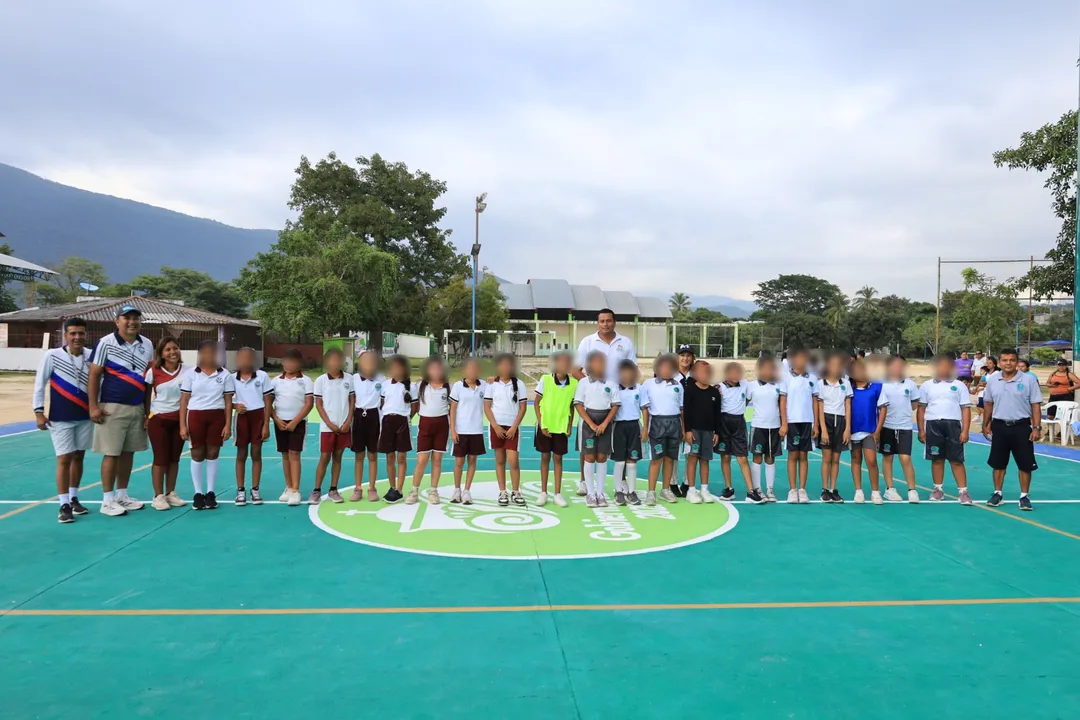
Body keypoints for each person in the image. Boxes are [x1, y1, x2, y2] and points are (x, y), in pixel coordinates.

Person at [87, 305, 153, 516]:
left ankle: (122, 496)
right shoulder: (106, 343)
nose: (132, 322)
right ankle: (107, 500)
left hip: (137, 407)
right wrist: (94, 406)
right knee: (111, 454)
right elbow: (94, 375)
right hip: (112, 407)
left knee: (128, 453)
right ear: (117, 322)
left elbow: (149, 380)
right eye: (127, 318)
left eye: (136, 318)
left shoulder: (147, 344)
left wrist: (148, 411)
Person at [572, 308, 638, 496]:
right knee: (587, 442)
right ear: (597, 323)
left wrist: (621, 388)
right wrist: (592, 387)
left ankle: (622, 480)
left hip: (617, 400)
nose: (605, 324)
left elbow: (631, 370)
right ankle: (583, 482)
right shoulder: (588, 342)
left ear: (614, 322)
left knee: (620, 440)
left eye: (609, 320)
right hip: (592, 401)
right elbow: (576, 370)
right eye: (602, 321)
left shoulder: (625, 342)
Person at [33, 317, 93, 523]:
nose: (77, 337)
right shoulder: (52, 355)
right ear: (65, 335)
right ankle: (64, 504)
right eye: (73, 333)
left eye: (81, 333)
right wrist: (38, 411)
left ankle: (74, 498)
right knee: (64, 459)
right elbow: (39, 383)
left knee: (79, 457)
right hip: (61, 417)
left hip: (85, 416)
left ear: (86, 335)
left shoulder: (91, 356)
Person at [179, 339, 235, 510]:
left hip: (217, 416)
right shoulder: (191, 374)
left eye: (213, 352)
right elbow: (184, 401)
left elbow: (228, 402)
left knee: (213, 451)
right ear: (200, 354)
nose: (210, 355)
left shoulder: (224, 374)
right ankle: (198, 493)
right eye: (206, 352)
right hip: (196, 415)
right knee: (197, 452)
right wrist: (182, 424)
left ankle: (210, 492)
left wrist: (228, 424)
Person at [983, 348, 1042, 510]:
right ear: (999, 363)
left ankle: (1024, 496)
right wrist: (985, 423)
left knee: (1025, 464)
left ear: (1017, 362)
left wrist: (1036, 427)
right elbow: (988, 403)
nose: (1008, 363)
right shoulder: (993, 380)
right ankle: (997, 493)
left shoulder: (1028, 380)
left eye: (1012, 360)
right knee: (998, 463)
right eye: (1004, 360)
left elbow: (1035, 405)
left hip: (1022, 427)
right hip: (999, 426)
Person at [917, 355, 973, 505]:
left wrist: (965, 430)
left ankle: (963, 492)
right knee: (937, 459)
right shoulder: (926, 385)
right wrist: (921, 430)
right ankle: (938, 490)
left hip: (953, 425)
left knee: (956, 460)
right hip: (933, 425)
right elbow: (921, 409)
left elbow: (965, 409)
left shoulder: (959, 385)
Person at [144, 336, 188, 511]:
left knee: (174, 458)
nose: (172, 352)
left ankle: (171, 492)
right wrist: (147, 415)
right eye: (168, 349)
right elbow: (146, 395)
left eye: (175, 348)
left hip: (180, 420)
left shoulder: (189, 371)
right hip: (159, 419)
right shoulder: (153, 371)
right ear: (161, 353)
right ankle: (158, 495)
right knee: (160, 458)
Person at [574, 351, 621, 508]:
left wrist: (604, 424)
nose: (600, 365)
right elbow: (579, 405)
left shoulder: (611, 383)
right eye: (597, 362)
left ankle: (600, 493)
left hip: (605, 423)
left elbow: (615, 405)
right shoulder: (583, 383)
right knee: (589, 457)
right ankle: (590, 493)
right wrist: (592, 424)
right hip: (588, 423)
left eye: (603, 362)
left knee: (601, 457)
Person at [715, 362, 765, 504]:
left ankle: (751, 491)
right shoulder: (719, 388)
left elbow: (749, 397)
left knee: (742, 457)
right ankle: (729, 488)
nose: (736, 375)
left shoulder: (745, 385)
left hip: (738, 423)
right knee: (725, 457)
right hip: (724, 422)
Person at [534, 351, 578, 508]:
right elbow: (536, 402)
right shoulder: (545, 380)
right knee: (545, 458)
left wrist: (569, 424)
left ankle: (557, 493)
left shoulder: (574, 384)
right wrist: (541, 424)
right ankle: (543, 492)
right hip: (545, 426)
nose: (564, 365)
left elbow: (572, 407)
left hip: (561, 427)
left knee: (558, 459)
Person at [270, 348, 314, 507]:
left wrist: (296, 421)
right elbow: (269, 403)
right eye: (286, 361)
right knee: (285, 455)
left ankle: (296, 490)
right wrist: (275, 419)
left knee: (294, 453)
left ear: (299, 363)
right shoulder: (275, 381)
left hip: (298, 422)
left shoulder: (306, 381)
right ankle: (288, 487)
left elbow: (309, 404)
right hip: (280, 422)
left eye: (293, 361)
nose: (289, 364)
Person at [484, 353, 528, 506]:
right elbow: (487, 407)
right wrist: (495, 426)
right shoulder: (491, 384)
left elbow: (522, 408)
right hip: (497, 427)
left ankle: (516, 491)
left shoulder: (519, 384)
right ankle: (502, 491)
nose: (505, 368)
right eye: (502, 365)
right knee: (500, 460)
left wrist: (514, 427)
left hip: (512, 427)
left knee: (513, 460)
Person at [312, 348, 354, 505]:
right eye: (332, 359)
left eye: (339, 359)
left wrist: (348, 421)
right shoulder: (321, 381)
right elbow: (319, 405)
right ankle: (316, 490)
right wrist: (329, 423)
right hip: (327, 427)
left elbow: (351, 402)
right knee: (324, 457)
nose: (336, 363)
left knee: (338, 457)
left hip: (344, 427)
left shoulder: (349, 379)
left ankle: (333, 489)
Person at [408, 356, 451, 505]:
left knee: (437, 459)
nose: (436, 371)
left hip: (442, 425)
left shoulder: (448, 387)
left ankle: (433, 490)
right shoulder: (419, 385)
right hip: (425, 424)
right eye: (432, 368)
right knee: (422, 460)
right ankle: (414, 491)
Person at [231, 347, 271, 506]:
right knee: (241, 453)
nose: (246, 361)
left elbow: (268, 401)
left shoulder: (262, 376)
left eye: (249, 357)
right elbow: (226, 400)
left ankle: (255, 489)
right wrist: (235, 406)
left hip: (258, 416)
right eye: (242, 357)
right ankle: (240, 490)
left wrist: (266, 424)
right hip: (241, 418)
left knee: (256, 453)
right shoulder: (232, 378)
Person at [878, 355, 921, 503]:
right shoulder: (881, 384)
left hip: (905, 426)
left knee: (905, 458)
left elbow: (915, 404)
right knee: (888, 457)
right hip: (886, 426)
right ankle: (890, 489)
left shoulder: (910, 384)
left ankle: (912, 490)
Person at [643, 354, 684, 506]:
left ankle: (665, 489)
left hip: (675, 423)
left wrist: (683, 429)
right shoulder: (648, 384)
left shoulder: (678, 385)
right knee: (656, 458)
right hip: (658, 424)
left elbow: (681, 409)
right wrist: (646, 427)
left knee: (670, 459)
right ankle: (651, 491)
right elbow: (645, 408)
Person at [746, 355, 786, 501]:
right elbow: (743, 403)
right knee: (757, 457)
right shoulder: (751, 386)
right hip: (758, 426)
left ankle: (770, 490)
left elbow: (782, 407)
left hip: (774, 427)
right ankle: (758, 489)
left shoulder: (779, 385)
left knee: (770, 458)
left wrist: (784, 424)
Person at [781, 348, 817, 504]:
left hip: (807, 422)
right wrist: (784, 423)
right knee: (792, 455)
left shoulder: (813, 378)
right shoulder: (786, 377)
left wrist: (816, 424)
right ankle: (792, 489)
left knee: (804, 455)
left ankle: (802, 489)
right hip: (792, 421)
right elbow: (783, 401)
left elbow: (815, 401)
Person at [449, 358, 487, 506]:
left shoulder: (484, 386)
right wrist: (453, 430)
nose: (473, 372)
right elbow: (452, 409)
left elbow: (496, 383)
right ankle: (457, 489)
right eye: (470, 369)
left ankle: (467, 490)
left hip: (476, 430)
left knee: (472, 461)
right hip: (461, 430)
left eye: (475, 369)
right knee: (459, 461)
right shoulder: (458, 387)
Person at [816, 352, 852, 503]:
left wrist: (847, 428)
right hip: (827, 420)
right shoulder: (821, 384)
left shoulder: (846, 383)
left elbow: (848, 406)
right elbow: (820, 406)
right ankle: (825, 490)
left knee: (836, 458)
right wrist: (823, 428)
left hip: (841, 421)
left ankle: (833, 489)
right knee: (827, 458)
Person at [682, 360, 719, 504]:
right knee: (692, 458)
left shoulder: (714, 392)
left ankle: (704, 489)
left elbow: (717, 414)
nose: (706, 375)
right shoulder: (690, 390)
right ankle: (691, 490)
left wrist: (717, 432)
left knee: (705, 460)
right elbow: (686, 412)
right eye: (703, 372)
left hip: (709, 432)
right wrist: (688, 431)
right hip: (694, 432)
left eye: (708, 372)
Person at [379, 355, 414, 504]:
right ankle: (392, 487)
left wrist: (406, 418)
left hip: (402, 422)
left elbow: (415, 406)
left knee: (401, 457)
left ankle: (399, 489)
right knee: (389, 457)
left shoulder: (411, 386)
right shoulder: (385, 384)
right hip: (387, 421)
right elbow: (382, 403)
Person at [848, 359, 884, 504]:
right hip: (853, 430)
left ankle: (875, 492)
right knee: (856, 459)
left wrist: (878, 431)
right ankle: (859, 491)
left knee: (871, 461)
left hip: (870, 431)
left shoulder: (877, 387)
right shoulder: (848, 388)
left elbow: (883, 408)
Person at [612, 359, 646, 507]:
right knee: (619, 461)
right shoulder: (614, 388)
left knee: (632, 462)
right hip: (618, 427)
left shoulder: (639, 388)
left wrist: (645, 429)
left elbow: (645, 409)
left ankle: (631, 491)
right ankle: (618, 491)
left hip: (634, 426)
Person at [350, 351, 383, 502]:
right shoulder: (353, 379)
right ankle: (358, 488)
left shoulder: (381, 379)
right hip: (358, 416)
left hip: (374, 416)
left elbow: (384, 399)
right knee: (359, 455)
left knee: (372, 454)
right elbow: (351, 399)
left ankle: (372, 488)